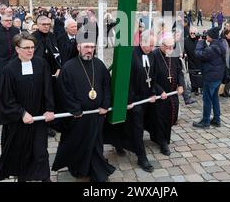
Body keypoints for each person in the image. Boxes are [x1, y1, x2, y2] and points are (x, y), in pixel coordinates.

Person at [0, 32, 55, 182]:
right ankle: (22, 178)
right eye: (26, 47)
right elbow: (6, 98)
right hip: (19, 121)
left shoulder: (41, 63)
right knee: (21, 151)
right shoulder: (10, 69)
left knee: (40, 151)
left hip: (39, 117)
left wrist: (49, 108)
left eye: (32, 47)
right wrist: (21, 113)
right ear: (17, 49)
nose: (30, 50)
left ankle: (45, 178)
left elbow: (48, 88)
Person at [52, 41, 115, 182]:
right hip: (79, 117)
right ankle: (79, 168)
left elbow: (107, 86)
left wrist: (105, 105)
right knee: (80, 143)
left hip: (97, 115)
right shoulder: (68, 67)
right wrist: (75, 108)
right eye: (86, 47)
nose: (89, 50)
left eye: (92, 47)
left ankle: (97, 172)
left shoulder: (99, 65)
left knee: (95, 144)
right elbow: (63, 91)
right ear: (78, 47)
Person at [105, 31, 157, 172]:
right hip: (133, 99)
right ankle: (142, 157)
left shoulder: (151, 54)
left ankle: (119, 143)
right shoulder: (131, 55)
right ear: (141, 42)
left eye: (153, 45)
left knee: (130, 125)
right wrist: (127, 100)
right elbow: (125, 80)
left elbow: (153, 75)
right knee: (137, 128)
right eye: (150, 45)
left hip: (146, 98)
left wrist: (153, 92)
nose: (152, 48)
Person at [146, 33, 184, 156]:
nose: (170, 49)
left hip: (172, 94)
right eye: (167, 47)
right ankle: (162, 143)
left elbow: (179, 72)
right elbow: (150, 77)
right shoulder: (154, 55)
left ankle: (164, 138)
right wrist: (159, 90)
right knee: (160, 119)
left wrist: (181, 85)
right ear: (161, 45)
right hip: (160, 94)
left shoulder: (173, 53)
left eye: (172, 47)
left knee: (171, 118)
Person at [32, 15, 62, 137]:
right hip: (38, 74)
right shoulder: (32, 37)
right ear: (38, 25)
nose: (46, 27)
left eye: (48, 24)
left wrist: (59, 67)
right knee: (41, 99)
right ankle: (42, 125)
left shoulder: (52, 36)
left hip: (53, 73)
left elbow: (57, 53)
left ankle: (52, 122)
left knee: (52, 97)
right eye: (43, 24)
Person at [193, 27, 226, 129]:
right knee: (215, 98)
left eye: (207, 35)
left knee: (207, 99)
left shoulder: (211, 49)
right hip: (218, 76)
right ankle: (216, 119)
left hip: (210, 77)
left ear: (211, 37)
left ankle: (205, 121)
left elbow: (198, 55)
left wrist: (199, 43)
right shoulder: (220, 44)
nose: (206, 36)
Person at [0, 15, 20, 111]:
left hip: (13, 61)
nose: (9, 22)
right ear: (1, 21)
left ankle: (11, 103)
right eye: (6, 20)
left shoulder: (16, 31)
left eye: (10, 20)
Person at [184, 27, 203, 96]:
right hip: (190, 60)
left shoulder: (199, 40)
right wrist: (185, 55)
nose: (192, 34)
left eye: (193, 33)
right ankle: (194, 87)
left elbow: (203, 48)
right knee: (191, 75)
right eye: (191, 33)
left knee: (198, 74)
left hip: (198, 60)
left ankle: (198, 87)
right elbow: (184, 49)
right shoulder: (186, 40)